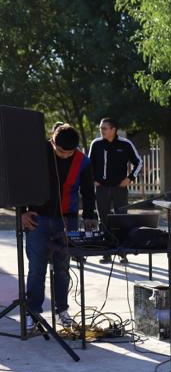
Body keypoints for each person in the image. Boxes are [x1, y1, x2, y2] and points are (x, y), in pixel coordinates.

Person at [21, 124, 96, 330]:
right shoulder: (36, 154)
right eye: (61, 151)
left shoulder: (83, 161)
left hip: (67, 220)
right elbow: (19, 183)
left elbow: (89, 192)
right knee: (37, 268)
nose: (65, 156)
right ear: (52, 141)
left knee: (62, 268)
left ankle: (62, 310)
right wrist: (21, 212)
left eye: (69, 152)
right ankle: (33, 313)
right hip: (37, 218)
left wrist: (90, 216)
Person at [88, 117, 142, 264]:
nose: (101, 130)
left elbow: (139, 162)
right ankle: (106, 252)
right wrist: (93, 179)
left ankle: (122, 251)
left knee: (122, 218)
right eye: (100, 128)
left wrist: (130, 178)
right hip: (102, 189)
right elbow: (88, 164)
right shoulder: (96, 144)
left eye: (104, 128)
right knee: (103, 219)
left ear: (114, 129)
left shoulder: (125, 144)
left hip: (120, 188)